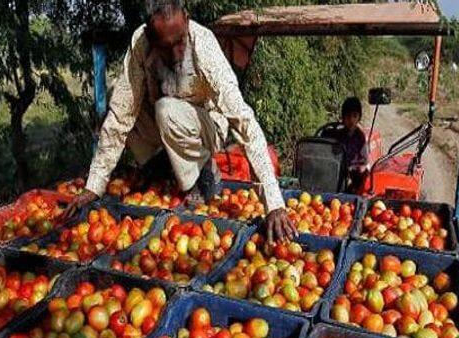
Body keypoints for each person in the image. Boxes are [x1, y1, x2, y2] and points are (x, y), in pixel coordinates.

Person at [63, 0, 296, 242]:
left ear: (186, 19)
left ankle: (200, 176)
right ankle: (162, 166)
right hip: (166, 125)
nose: (175, 54)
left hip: (205, 129)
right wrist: (94, 185)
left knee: (166, 110)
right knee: (121, 107)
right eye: (165, 47)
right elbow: (121, 115)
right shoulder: (141, 44)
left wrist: (274, 203)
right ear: (151, 38)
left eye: (179, 42)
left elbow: (243, 120)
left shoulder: (203, 46)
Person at [334, 97, 370, 192]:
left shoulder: (360, 137)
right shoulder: (337, 135)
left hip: (354, 175)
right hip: (337, 172)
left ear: (359, 117)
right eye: (348, 116)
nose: (351, 120)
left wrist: (358, 169)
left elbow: (364, 161)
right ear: (343, 117)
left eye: (354, 116)